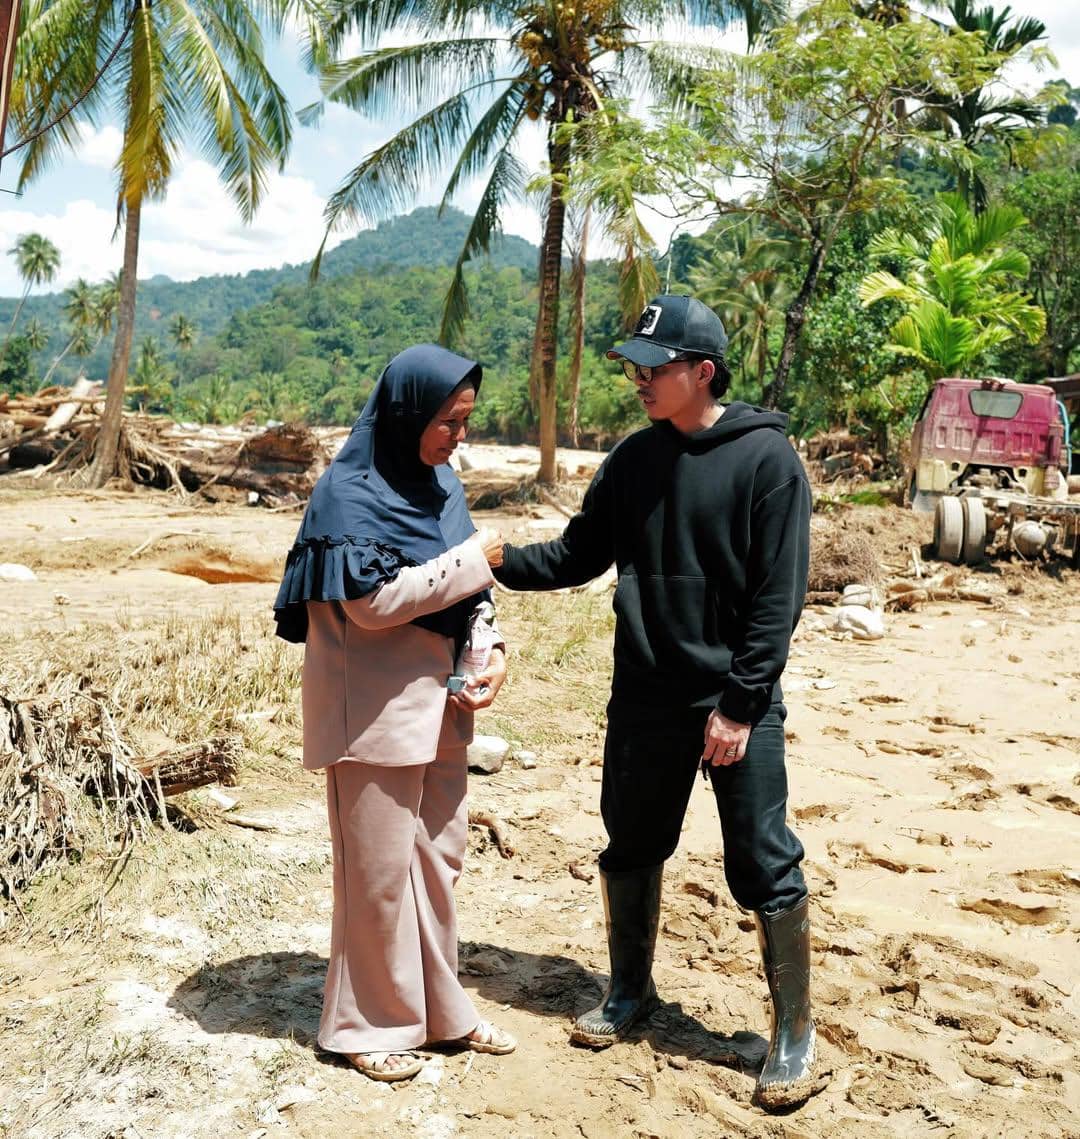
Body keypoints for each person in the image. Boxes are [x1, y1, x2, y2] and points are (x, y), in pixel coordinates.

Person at [494, 296, 816, 1109]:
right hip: (644, 693)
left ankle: (792, 1032)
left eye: (653, 365)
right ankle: (629, 990)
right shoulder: (633, 462)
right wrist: (499, 559)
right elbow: (578, 553)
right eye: (633, 364)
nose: (637, 377)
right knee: (630, 842)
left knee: (760, 856)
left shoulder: (769, 461)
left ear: (702, 371)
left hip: (731, 700)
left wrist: (740, 707)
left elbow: (778, 600)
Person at [273, 344, 516, 1082]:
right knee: (376, 873)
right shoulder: (347, 494)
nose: (458, 437)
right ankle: (362, 1023)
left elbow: (470, 591)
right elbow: (372, 602)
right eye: (448, 421)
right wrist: (474, 560)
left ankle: (444, 1012)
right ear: (409, 412)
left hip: (440, 703)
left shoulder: (440, 484)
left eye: (467, 421)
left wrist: (490, 643)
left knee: (438, 862)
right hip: (372, 711)